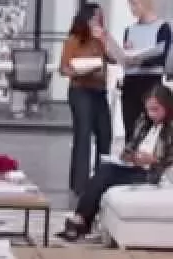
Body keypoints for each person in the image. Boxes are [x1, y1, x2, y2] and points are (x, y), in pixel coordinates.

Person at [58, 84, 173, 241]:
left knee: (106, 175)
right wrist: (128, 155)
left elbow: (168, 158)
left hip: (152, 174)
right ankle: (81, 218)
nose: (151, 114)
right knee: (105, 169)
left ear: (167, 107)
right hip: (136, 167)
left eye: (155, 109)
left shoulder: (170, 128)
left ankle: (81, 221)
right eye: (148, 109)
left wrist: (154, 160)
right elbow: (131, 145)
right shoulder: (144, 121)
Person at [60, 3, 117, 198]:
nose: (98, 22)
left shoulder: (102, 40)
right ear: (85, 19)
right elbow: (64, 69)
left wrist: (104, 41)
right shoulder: (74, 40)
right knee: (83, 135)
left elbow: (114, 59)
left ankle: (102, 179)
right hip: (80, 90)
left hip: (99, 91)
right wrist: (80, 69)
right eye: (94, 18)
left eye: (100, 18)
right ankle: (80, 184)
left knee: (105, 133)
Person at [120, 0, 172, 141]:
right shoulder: (129, 29)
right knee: (130, 127)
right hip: (130, 82)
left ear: (145, 3)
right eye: (130, 4)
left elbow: (161, 58)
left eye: (135, 4)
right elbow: (126, 56)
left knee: (149, 126)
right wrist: (125, 56)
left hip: (150, 83)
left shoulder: (162, 27)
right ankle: (131, 155)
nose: (132, 8)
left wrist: (140, 60)